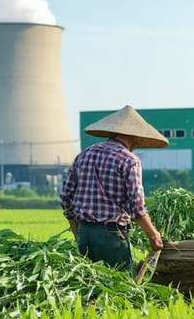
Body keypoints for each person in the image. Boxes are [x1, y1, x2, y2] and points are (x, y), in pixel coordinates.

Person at [60, 105, 166, 276]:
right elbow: (136, 206)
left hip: (85, 233)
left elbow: (65, 198)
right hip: (111, 235)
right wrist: (153, 235)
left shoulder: (85, 154)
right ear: (134, 137)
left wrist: (77, 231)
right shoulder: (129, 160)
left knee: (91, 284)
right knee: (121, 285)